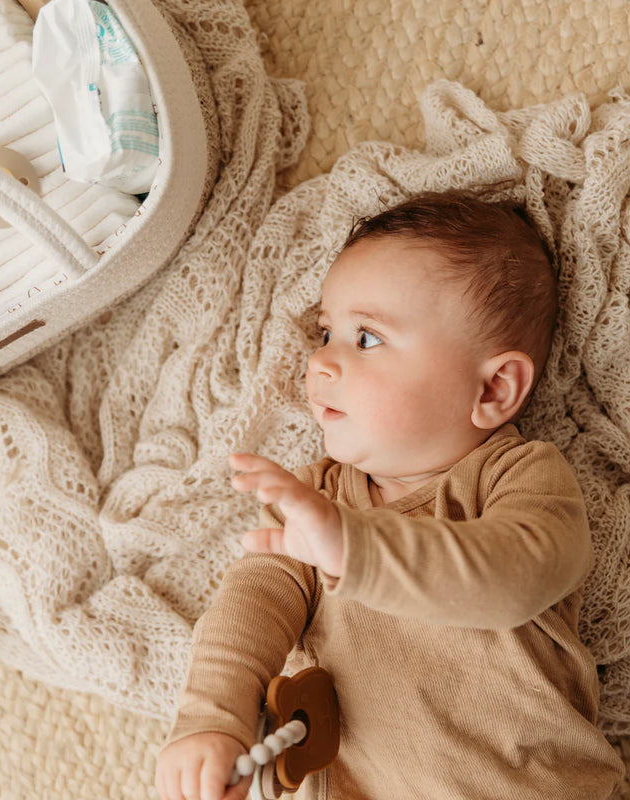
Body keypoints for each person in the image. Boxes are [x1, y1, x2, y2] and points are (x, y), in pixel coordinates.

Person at [155, 193, 626, 800]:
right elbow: (250, 608)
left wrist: (358, 551)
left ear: (494, 387)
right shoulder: (314, 497)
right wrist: (211, 720)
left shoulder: (517, 477)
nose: (322, 359)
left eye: (367, 338)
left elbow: (517, 574)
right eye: (327, 332)